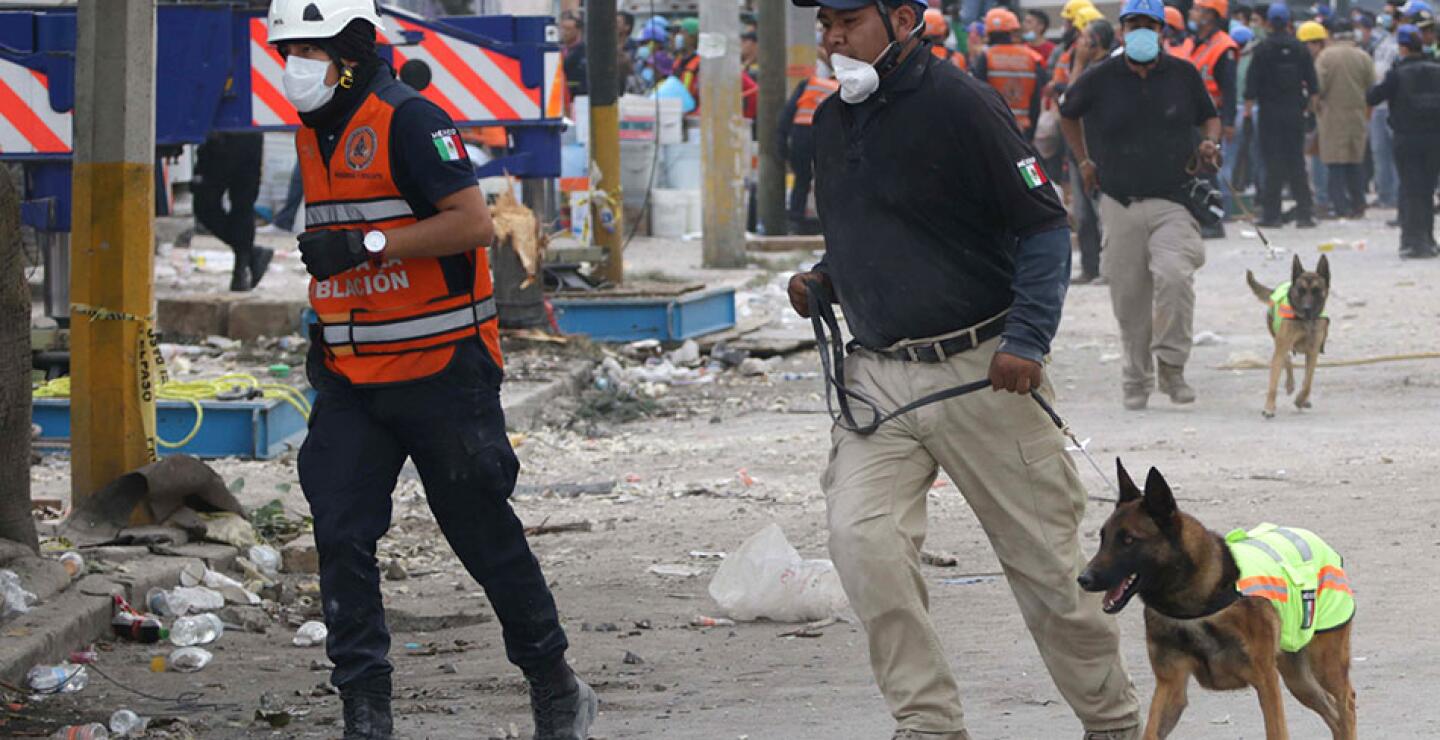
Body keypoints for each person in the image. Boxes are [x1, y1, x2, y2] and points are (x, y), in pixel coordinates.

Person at [788, 1, 1142, 738]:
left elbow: (1045, 225)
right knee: (862, 544)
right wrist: (827, 277)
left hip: (986, 370)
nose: (832, 36)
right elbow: (879, 229)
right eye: (825, 22)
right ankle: (928, 724)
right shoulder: (830, 121)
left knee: (1050, 572)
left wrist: (1029, 339)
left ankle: (1112, 724)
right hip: (878, 379)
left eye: (848, 19)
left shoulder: (961, 104)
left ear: (905, 19)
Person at [263, 2, 597, 739]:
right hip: (352, 376)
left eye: (308, 49)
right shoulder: (314, 131)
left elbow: (473, 223)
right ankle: (365, 709)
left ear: (351, 50)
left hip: (442, 371)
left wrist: (364, 245)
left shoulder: (410, 119)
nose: (294, 64)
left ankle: (554, 682)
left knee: (479, 530)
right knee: (341, 533)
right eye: (285, 49)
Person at [1060, 0, 1222, 411]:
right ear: (1122, 31)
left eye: (1150, 24)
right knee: (1129, 299)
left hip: (1174, 199)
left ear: (1162, 31)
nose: (1141, 31)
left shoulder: (1182, 75)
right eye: (1134, 24)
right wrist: (1083, 161)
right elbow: (1067, 113)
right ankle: (1136, 379)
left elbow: (1209, 116)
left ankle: (1172, 366)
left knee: (1174, 277)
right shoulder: (1101, 78)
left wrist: (1210, 144)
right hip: (1119, 201)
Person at [1367, 23, 1440, 257]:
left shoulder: (1397, 74)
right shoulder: (1437, 69)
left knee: (1410, 189)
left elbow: (1373, 97)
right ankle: (1428, 238)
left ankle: (1412, 240)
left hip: (1406, 139)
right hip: (1434, 139)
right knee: (1427, 189)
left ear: (1403, 48)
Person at [1248, 4, 1320, 228]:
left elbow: (1251, 86)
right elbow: (1314, 85)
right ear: (1289, 23)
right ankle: (1305, 214)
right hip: (1294, 113)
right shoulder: (1300, 48)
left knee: (1273, 164)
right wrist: (1309, 111)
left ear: (1269, 23)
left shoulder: (1262, 49)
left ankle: (1272, 215)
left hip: (1270, 114)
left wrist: (1249, 112)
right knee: (1296, 162)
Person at [1068, 19, 1116, 284]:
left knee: (1103, 214)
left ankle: (1109, 268)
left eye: (1085, 37)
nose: (1080, 43)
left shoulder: (1102, 72)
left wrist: (1077, 63)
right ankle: (1090, 267)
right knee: (1084, 215)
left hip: (1099, 152)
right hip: (1079, 152)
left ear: (1096, 41)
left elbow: (1071, 100)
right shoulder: (1089, 69)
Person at [1314, 18, 1375, 218]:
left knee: (1335, 163)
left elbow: (1318, 87)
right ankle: (1359, 204)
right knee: (1355, 161)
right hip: (1358, 113)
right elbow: (1371, 85)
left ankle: (1339, 206)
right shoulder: (1363, 56)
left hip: (1332, 115)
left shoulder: (1325, 57)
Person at [1188, 0, 1239, 238]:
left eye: (1197, 9)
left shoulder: (1223, 47)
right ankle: (1203, 218)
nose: (1192, 13)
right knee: (1199, 171)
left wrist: (1228, 122)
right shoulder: (1196, 44)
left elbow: (1229, 90)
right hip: (1196, 116)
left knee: (1210, 169)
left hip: (1213, 118)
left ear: (1210, 14)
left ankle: (1214, 221)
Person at [778, 50, 839, 234]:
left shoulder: (809, 84)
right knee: (828, 181)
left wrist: (781, 142)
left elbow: (788, 113)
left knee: (802, 179)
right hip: (825, 136)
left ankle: (795, 221)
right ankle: (829, 223)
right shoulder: (842, 88)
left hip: (801, 135)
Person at [974, 8, 1049, 139]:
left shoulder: (986, 57)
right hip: (1022, 129)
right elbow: (1036, 99)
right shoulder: (1031, 57)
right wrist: (1030, 136)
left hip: (994, 127)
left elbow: (977, 96)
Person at [1369, 9, 1401, 209]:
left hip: (1395, 105)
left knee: (1398, 153)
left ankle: (1399, 195)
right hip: (1378, 105)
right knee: (1379, 152)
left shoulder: (1406, 41)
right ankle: (1385, 194)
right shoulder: (1382, 41)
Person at [1298, 20, 1331, 215]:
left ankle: (1322, 199)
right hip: (1318, 117)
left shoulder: (1320, 62)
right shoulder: (1312, 61)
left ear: (1317, 43)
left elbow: (1317, 91)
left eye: (1306, 44)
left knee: (1319, 159)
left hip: (1322, 116)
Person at [560, 11, 587, 100]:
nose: (564, 32)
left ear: (578, 30)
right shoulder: (555, 49)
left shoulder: (585, 51)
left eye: (568, 29)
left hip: (579, 97)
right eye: (562, 28)